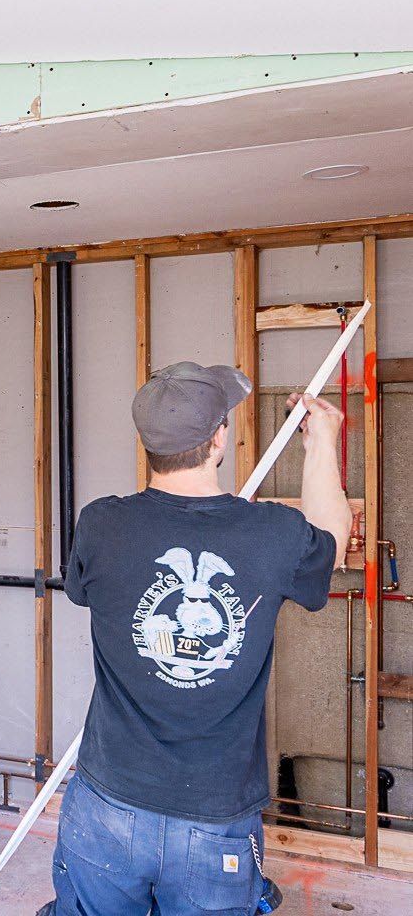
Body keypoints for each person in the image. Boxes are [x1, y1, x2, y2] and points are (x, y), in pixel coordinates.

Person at [44, 362, 349, 916]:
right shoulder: (272, 534)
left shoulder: (101, 525)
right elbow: (331, 542)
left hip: (106, 803)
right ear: (218, 439)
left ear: (148, 444)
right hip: (214, 817)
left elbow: (83, 592)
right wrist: (322, 444)